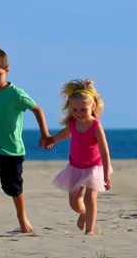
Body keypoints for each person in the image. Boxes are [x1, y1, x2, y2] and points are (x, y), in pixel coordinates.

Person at [0, 45, 51, 236]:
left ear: (7, 71)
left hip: (13, 150)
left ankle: (22, 218)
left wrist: (44, 134)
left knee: (14, 188)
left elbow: (37, 109)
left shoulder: (16, 94)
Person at [44, 79, 112, 235]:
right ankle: (83, 213)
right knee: (74, 203)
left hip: (94, 167)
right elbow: (65, 133)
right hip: (75, 167)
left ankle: (89, 230)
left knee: (90, 198)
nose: (79, 113)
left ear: (93, 106)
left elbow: (105, 152)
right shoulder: (73, 124)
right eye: (75, 110)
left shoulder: (95, 125)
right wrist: (52, 139)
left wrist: (106, 175)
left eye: (83, 109)